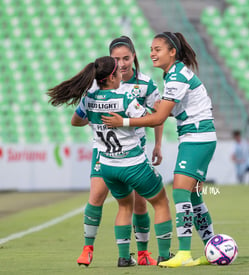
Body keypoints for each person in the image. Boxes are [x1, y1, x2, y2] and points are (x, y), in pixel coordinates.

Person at [102, 32, 216, 267]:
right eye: (151, 49)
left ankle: (184, 252)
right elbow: (169, 111)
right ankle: (212, 247)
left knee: (180, 192)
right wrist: (156, 110)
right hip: (197, 135)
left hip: (197, 135)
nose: (152, 53)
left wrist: (123, 122)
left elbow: (158, 119)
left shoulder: (175, 76)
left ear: (172, 52)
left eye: (158, 49)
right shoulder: (172, 74)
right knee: (193, 195)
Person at [47, 56, 172, 267]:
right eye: (119, 71)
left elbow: (76, 121)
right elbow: (152, 120)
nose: (123, 73)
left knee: (124, 206)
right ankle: (165, 256)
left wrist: (97, 121)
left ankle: (124, 258)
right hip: (132, 164)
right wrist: (158, 110)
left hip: (107, 165)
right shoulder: (125, 97)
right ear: (112, 76)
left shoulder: (90, 98)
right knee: (160, 202)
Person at [74, 36, 164, 266]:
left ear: (134, 56)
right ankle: (87, 248)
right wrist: (101, 123)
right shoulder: (101, 86)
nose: (122, 63)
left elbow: (157, 115)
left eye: (126, 58)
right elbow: (153, 117)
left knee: (139, 203)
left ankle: (142, 254)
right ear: (110, 64)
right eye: (117, 59)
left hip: (135, 147)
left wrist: (158, 144)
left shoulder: (145, 83)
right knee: (96, 196)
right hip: (105, 151)